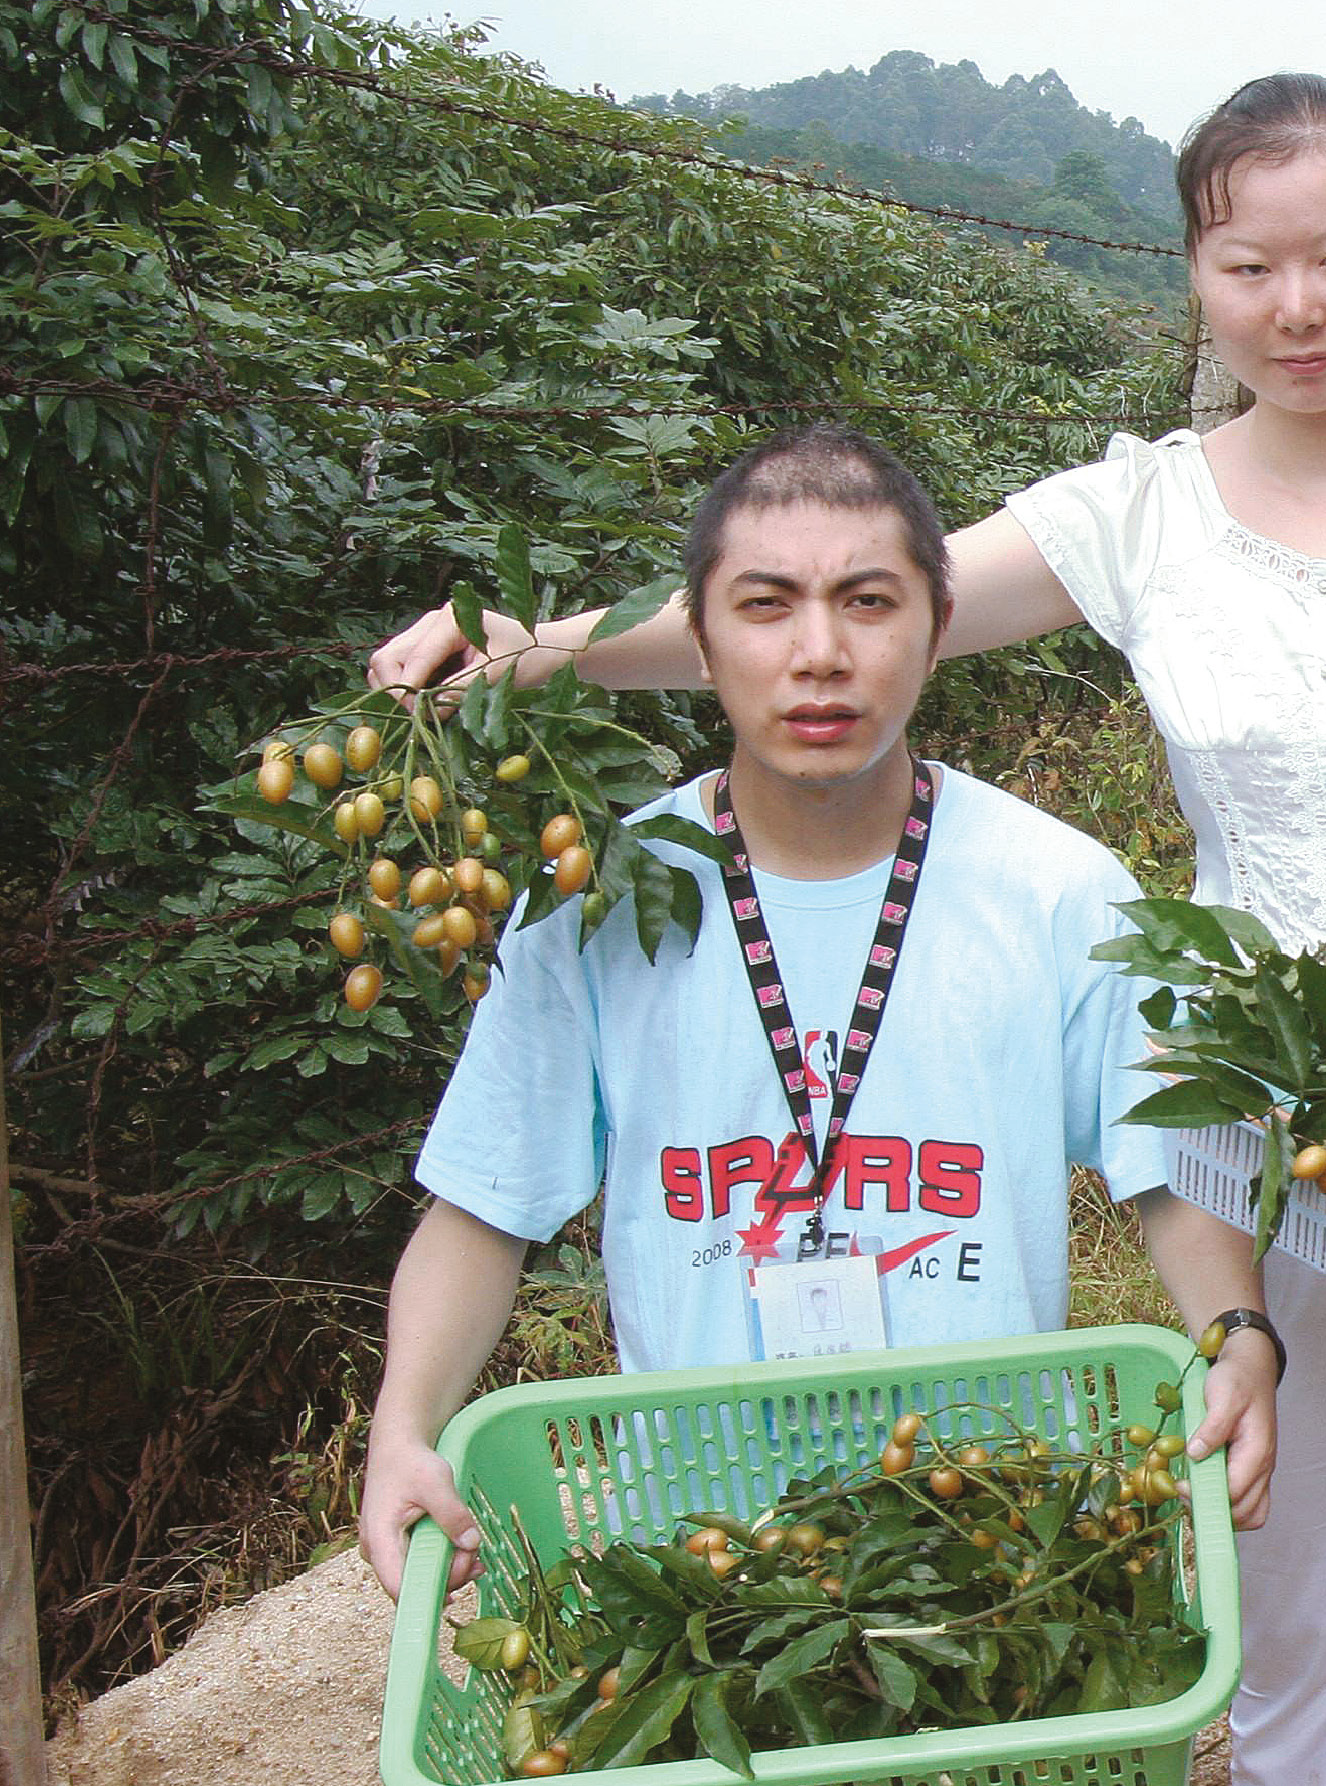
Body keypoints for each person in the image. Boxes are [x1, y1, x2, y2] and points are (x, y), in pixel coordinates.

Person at [365, 74, 1326, 1786]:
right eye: (1245, 265)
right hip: (1275, 1123)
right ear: (1191, 274)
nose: (1298, 306)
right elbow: (842, 596)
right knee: (1282, 1613)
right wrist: (537, 643)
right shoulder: (1139, 511)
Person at [357, 425, 1279, 1599]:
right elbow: (484, 1208)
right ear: (698, 637)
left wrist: (1242, 1334)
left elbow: (1171, 1165)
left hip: (997, 1540)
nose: (820, 653)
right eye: (765, 605)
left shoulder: (1061, 892)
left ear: (940, 626)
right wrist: (403, 1426)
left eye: (868, 601)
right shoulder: (597, 903)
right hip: (697, 1567)